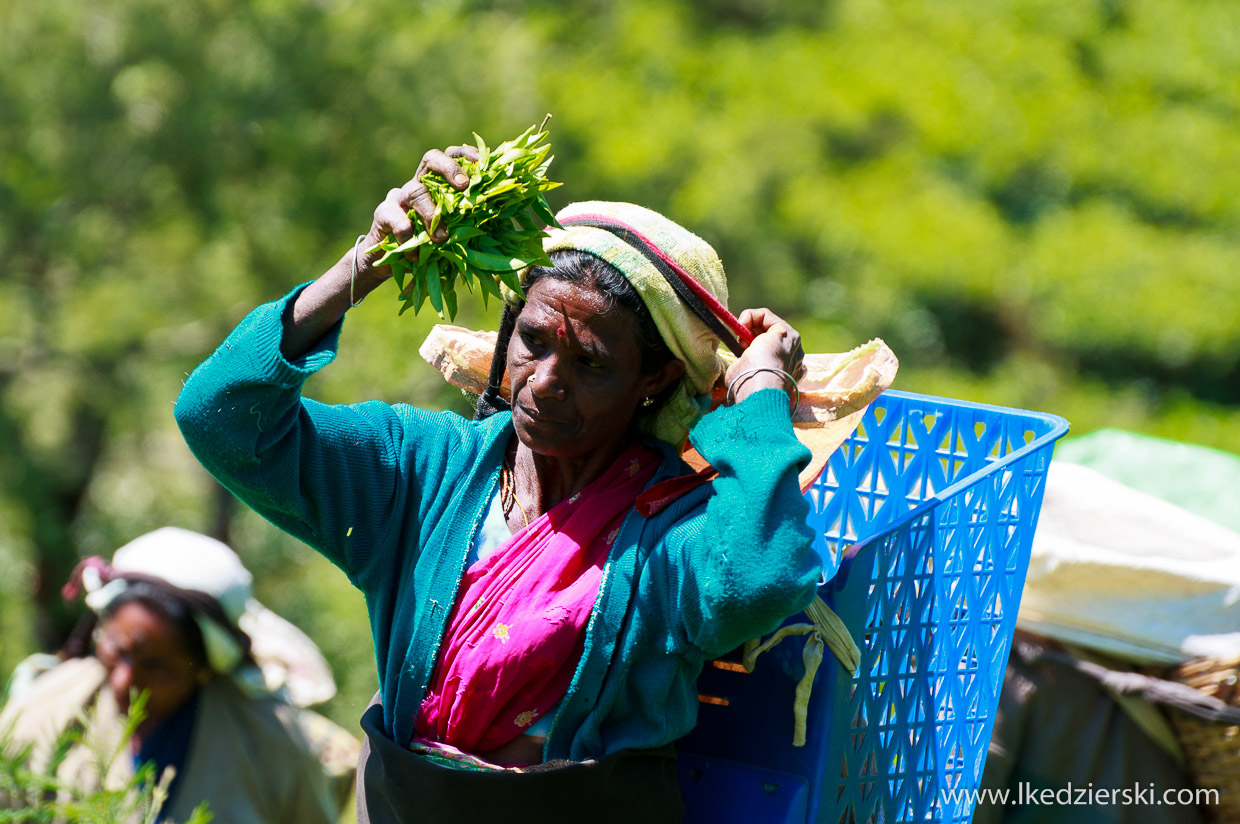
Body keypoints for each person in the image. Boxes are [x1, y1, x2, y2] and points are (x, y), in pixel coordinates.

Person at [173, 145, 824, 822]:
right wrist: (361, 268)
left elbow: (760, 580)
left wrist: (759, 396)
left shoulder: (667, 525)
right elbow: (219, 420)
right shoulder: (424, 469)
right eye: (534, 341)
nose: (544, 381)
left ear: (653, 381)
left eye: (590, 363)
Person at [0, 527, 354, 823]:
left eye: (156, 666)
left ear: (203, 666)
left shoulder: (273, 744)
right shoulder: (43, 712)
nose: (124, 681)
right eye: (116, 651)